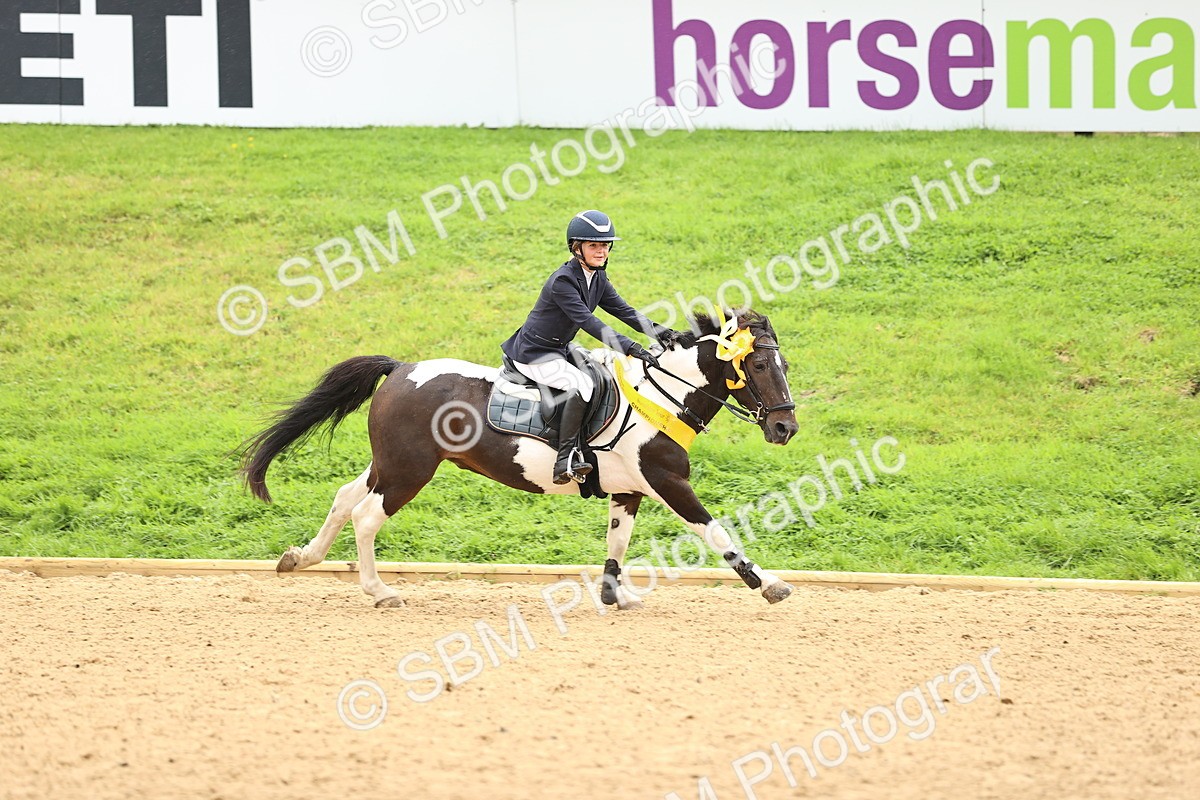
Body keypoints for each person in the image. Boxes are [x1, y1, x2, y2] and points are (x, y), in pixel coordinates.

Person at [501, 210, 685, 485]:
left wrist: (662, 332)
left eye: (605, 245)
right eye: (594, 246)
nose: (601, 252)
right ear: (577, 248)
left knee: (602, 374)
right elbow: (588, 322)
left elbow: (623, 310)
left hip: (560, 347)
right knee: (581, 385)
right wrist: (631, 347)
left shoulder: (597, 277)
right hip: (534, 353)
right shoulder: (563, 281)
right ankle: (565, 459)